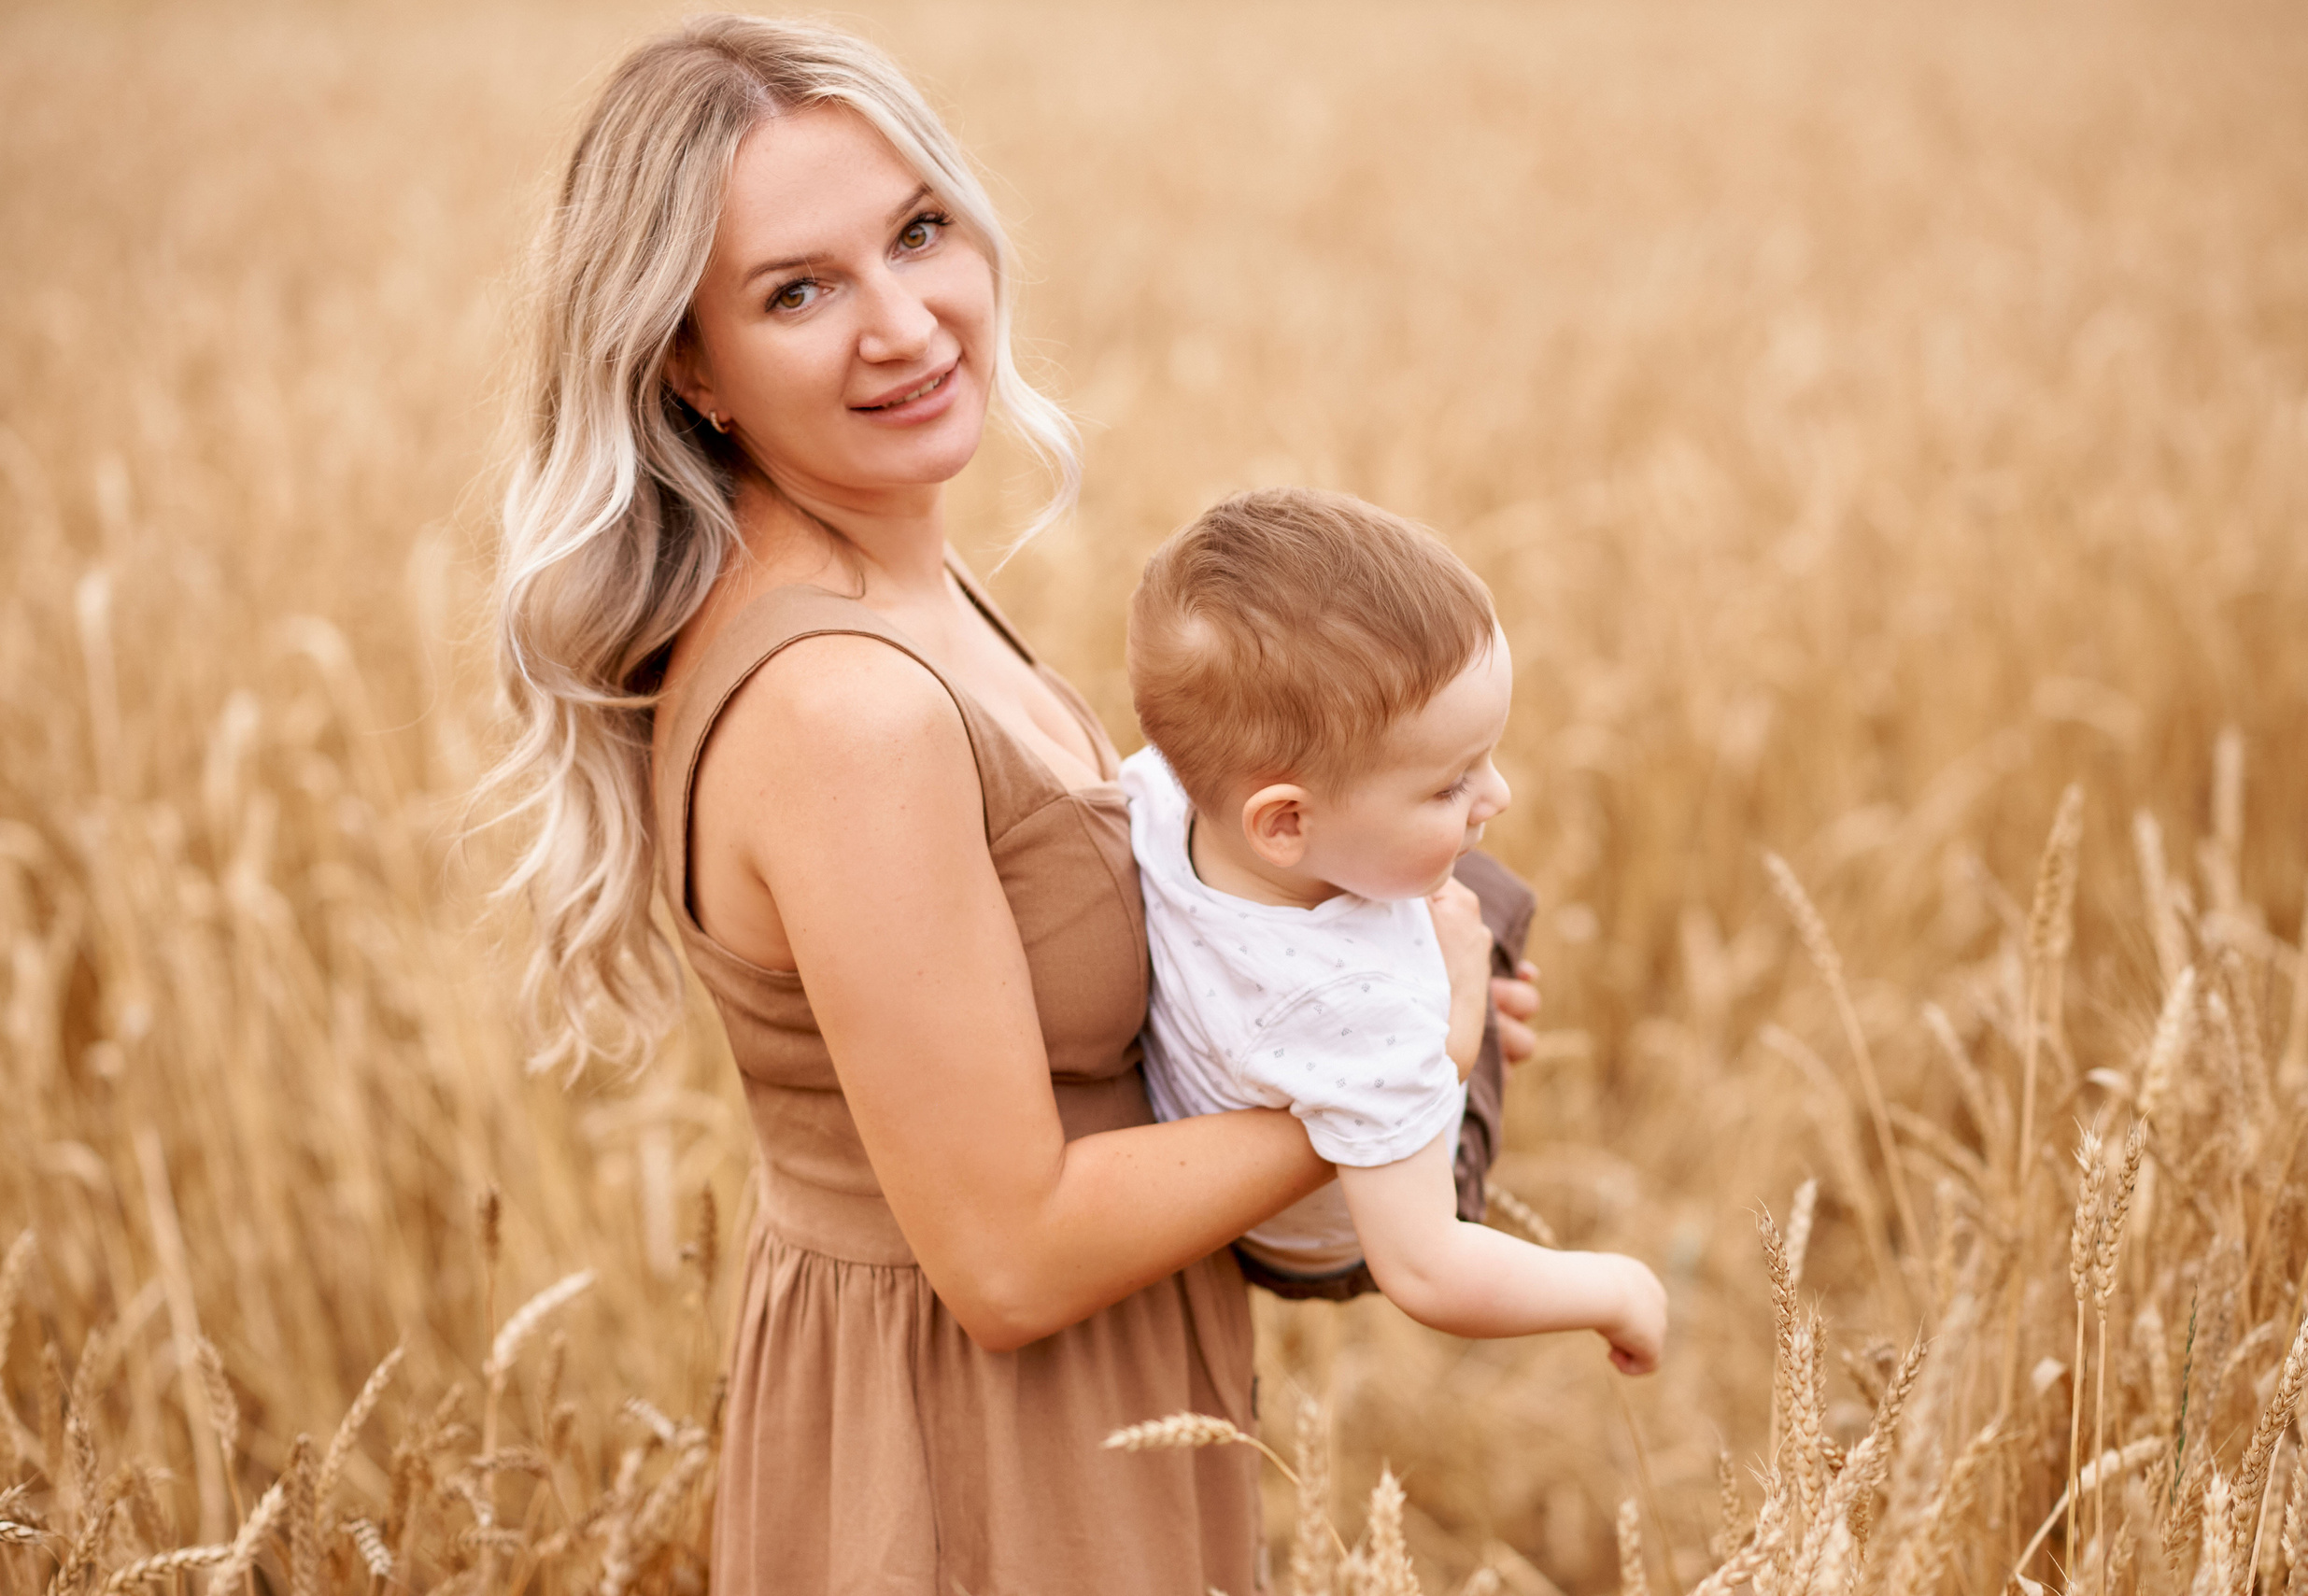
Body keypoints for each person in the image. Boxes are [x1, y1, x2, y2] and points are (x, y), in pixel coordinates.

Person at [485, 16, 1544, 1595]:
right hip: (973, 1452)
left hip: (1084, 1396)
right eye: (798, 291)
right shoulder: (844, 708)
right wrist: (1401, 1056)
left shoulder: (904, 586)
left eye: (918, 231)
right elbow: (1008, 1255)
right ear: (689, 365)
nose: (905, 323)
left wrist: (1331, 971)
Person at [1123, 488, 1667, 1366]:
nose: (1498, 794)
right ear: (1285, 823)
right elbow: (1428, 1268)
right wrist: (1616, 1288)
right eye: (1452, 783)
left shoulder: (1157, 789)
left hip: (1268, 1091)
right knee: (1485, 901)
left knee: (1460, 874)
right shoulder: (1361, 1009)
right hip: (1335, 1235)